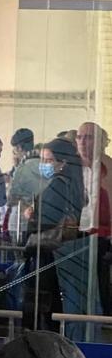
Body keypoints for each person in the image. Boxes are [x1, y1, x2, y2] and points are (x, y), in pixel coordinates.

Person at [22, 137, 84, 330]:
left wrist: (32, 219)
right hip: (62, 259)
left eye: (48, 161)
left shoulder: (56, 186)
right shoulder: (74, 185)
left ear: (63, 163)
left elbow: (45, 224)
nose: (43, 165)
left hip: (47, 258)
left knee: (42, 314)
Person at [76, 121, 112, 315]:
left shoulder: (108, 169)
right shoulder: (69, 169)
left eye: (88, 137)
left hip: (101, 237)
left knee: (100, 282)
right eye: (79, 137)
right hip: (72, 237)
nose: (82, 142)